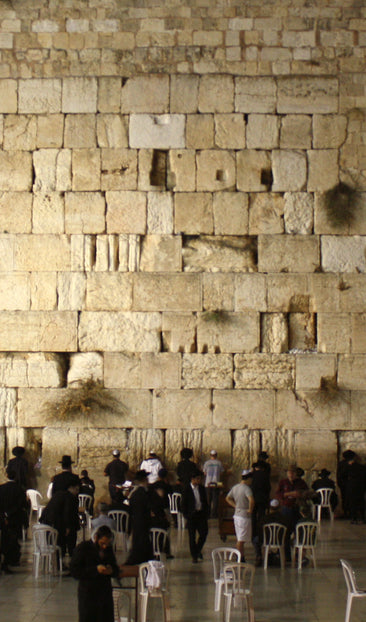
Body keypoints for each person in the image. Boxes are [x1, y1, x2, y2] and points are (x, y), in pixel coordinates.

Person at [70, 525, 120, 622]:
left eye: (107, 544)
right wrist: (95, 570)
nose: (104, 546)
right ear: (96, 538)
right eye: (102, 543)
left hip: (104, 595)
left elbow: (115, 567)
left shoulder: (108, 550)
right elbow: (75, 571)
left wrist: (111, 570)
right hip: (88, 595)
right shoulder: (83, 548)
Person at [40, 474, 80, 559]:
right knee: (62, 541)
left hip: (46, 521)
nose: (77, 492)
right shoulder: (68, 497)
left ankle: (55, 562)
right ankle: (60, 563)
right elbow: (67, 512)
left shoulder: (58, 494)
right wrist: (68, 527)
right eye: (76, 489)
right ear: (71, 488)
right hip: (54, 522)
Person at [0, 467, 28, 573]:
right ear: (15, 477)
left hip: (3, 518)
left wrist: (4, 514)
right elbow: (22, 504)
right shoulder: (19, 489)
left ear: (7, 476)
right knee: (14, 538)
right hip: (15, 518)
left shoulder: (1, 488)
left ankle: (5, 560)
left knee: (4, 538)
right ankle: (11, 560)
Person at [124, 470, 153, 565]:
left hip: (136, 521)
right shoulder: (144, 493)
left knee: (138, 542)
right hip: (143, 522)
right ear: (144, 480)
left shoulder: (134, 493)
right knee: (142, 543)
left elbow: (130, 507)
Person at [225, 469, 254, 563]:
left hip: (237, 514)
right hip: (244, 516)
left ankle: (241, 555)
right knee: (241, 539)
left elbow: (228, 498)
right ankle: (239, 557)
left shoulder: (235, 487)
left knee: (240, 537)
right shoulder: (247, 488)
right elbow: (251, 500)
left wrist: (235, 506)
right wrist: (250, 509)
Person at [182, 469, 209, 563]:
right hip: (192, 515)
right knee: (192, 536)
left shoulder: (201, 488)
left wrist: (206, 513)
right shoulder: (187, 489)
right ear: (192, 479)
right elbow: (183, 503)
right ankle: (194, 555)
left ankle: (197, 550)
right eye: (197, 479)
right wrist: (186, 515)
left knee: (204, 533)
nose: (199, 481)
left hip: (200, 514)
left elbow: (205, 501)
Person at [250, 461, 271, 566]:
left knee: (253, 516)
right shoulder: (265, 475)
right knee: (262, 516)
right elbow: (268, 488)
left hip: (253, 499)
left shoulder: (252, 475)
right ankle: (261, 529)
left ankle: (254, 531)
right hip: (262, 499)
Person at [276, 465, 308, 529]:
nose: (291, 474)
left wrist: (299, 494)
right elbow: (278, 493)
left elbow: (307, 493)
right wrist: (288, 494)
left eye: (292, 472)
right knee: (285, 526)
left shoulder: (301, 482)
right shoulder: (283, 482)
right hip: (286, 507)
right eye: (289, 472)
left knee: (297, 527)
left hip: (297, 508)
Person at [203, 450, 224, 518]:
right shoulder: (219, 463)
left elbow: (204, 473)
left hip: (208, 483)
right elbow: (222, 472)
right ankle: (214, 514)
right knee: (215, 499)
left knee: (208, 499)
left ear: (210, 455)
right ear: (216, 455)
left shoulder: (206, 463)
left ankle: (207, 514)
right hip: (217, 483)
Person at [337, 449, 356, 518]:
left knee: (345, 499)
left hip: (343, 484)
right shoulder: (351, 464)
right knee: (350, 499)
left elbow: (339, 474)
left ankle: (346, 512)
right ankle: (350, 513)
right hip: (349, 484)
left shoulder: (341, 463)